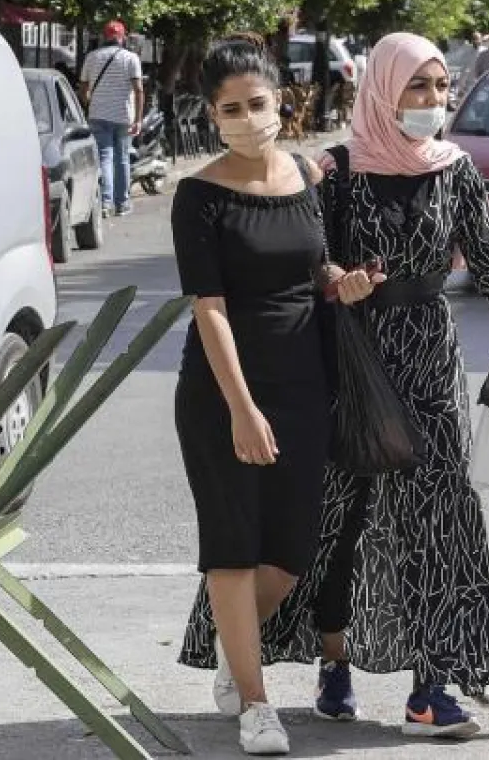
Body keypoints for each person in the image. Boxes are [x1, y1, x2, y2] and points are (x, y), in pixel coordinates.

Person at [179, 32, 489, 738]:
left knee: (439, 522)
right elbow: (310, 266)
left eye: (439, 87)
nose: (431, 101)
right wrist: (345, 285)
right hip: (348, 364)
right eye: (416, 87)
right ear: (381, 90)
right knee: (336, 524)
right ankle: (324, 665)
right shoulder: (334, 172)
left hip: (429, 364)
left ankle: (433, 687)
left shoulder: (454, 169)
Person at [170, 39, 332, 755]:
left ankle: (232, 646)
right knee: (232, 544)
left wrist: (341, 282)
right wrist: (241, 407)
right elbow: (210, 307)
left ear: (282, 103)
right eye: (229, 109)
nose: (244, 118)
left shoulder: (304, 175)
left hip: (305, 385)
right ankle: (256, 702)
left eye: (256, 104)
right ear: (212, 115)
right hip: (221, 391)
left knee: (291, 553)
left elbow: (311, 270)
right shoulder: (199, 195)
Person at [80, 20, 145, 217]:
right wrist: (138, 119)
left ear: (104, 37)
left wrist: (90, 103)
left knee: (105, 158)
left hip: (98, 115)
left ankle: (106, 203)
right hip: (123, 116)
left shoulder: (92, 57)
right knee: (122, 158)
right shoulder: (131, 58)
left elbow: (84, 89)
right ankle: (122, 202)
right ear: (122, 37)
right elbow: (139, 89)